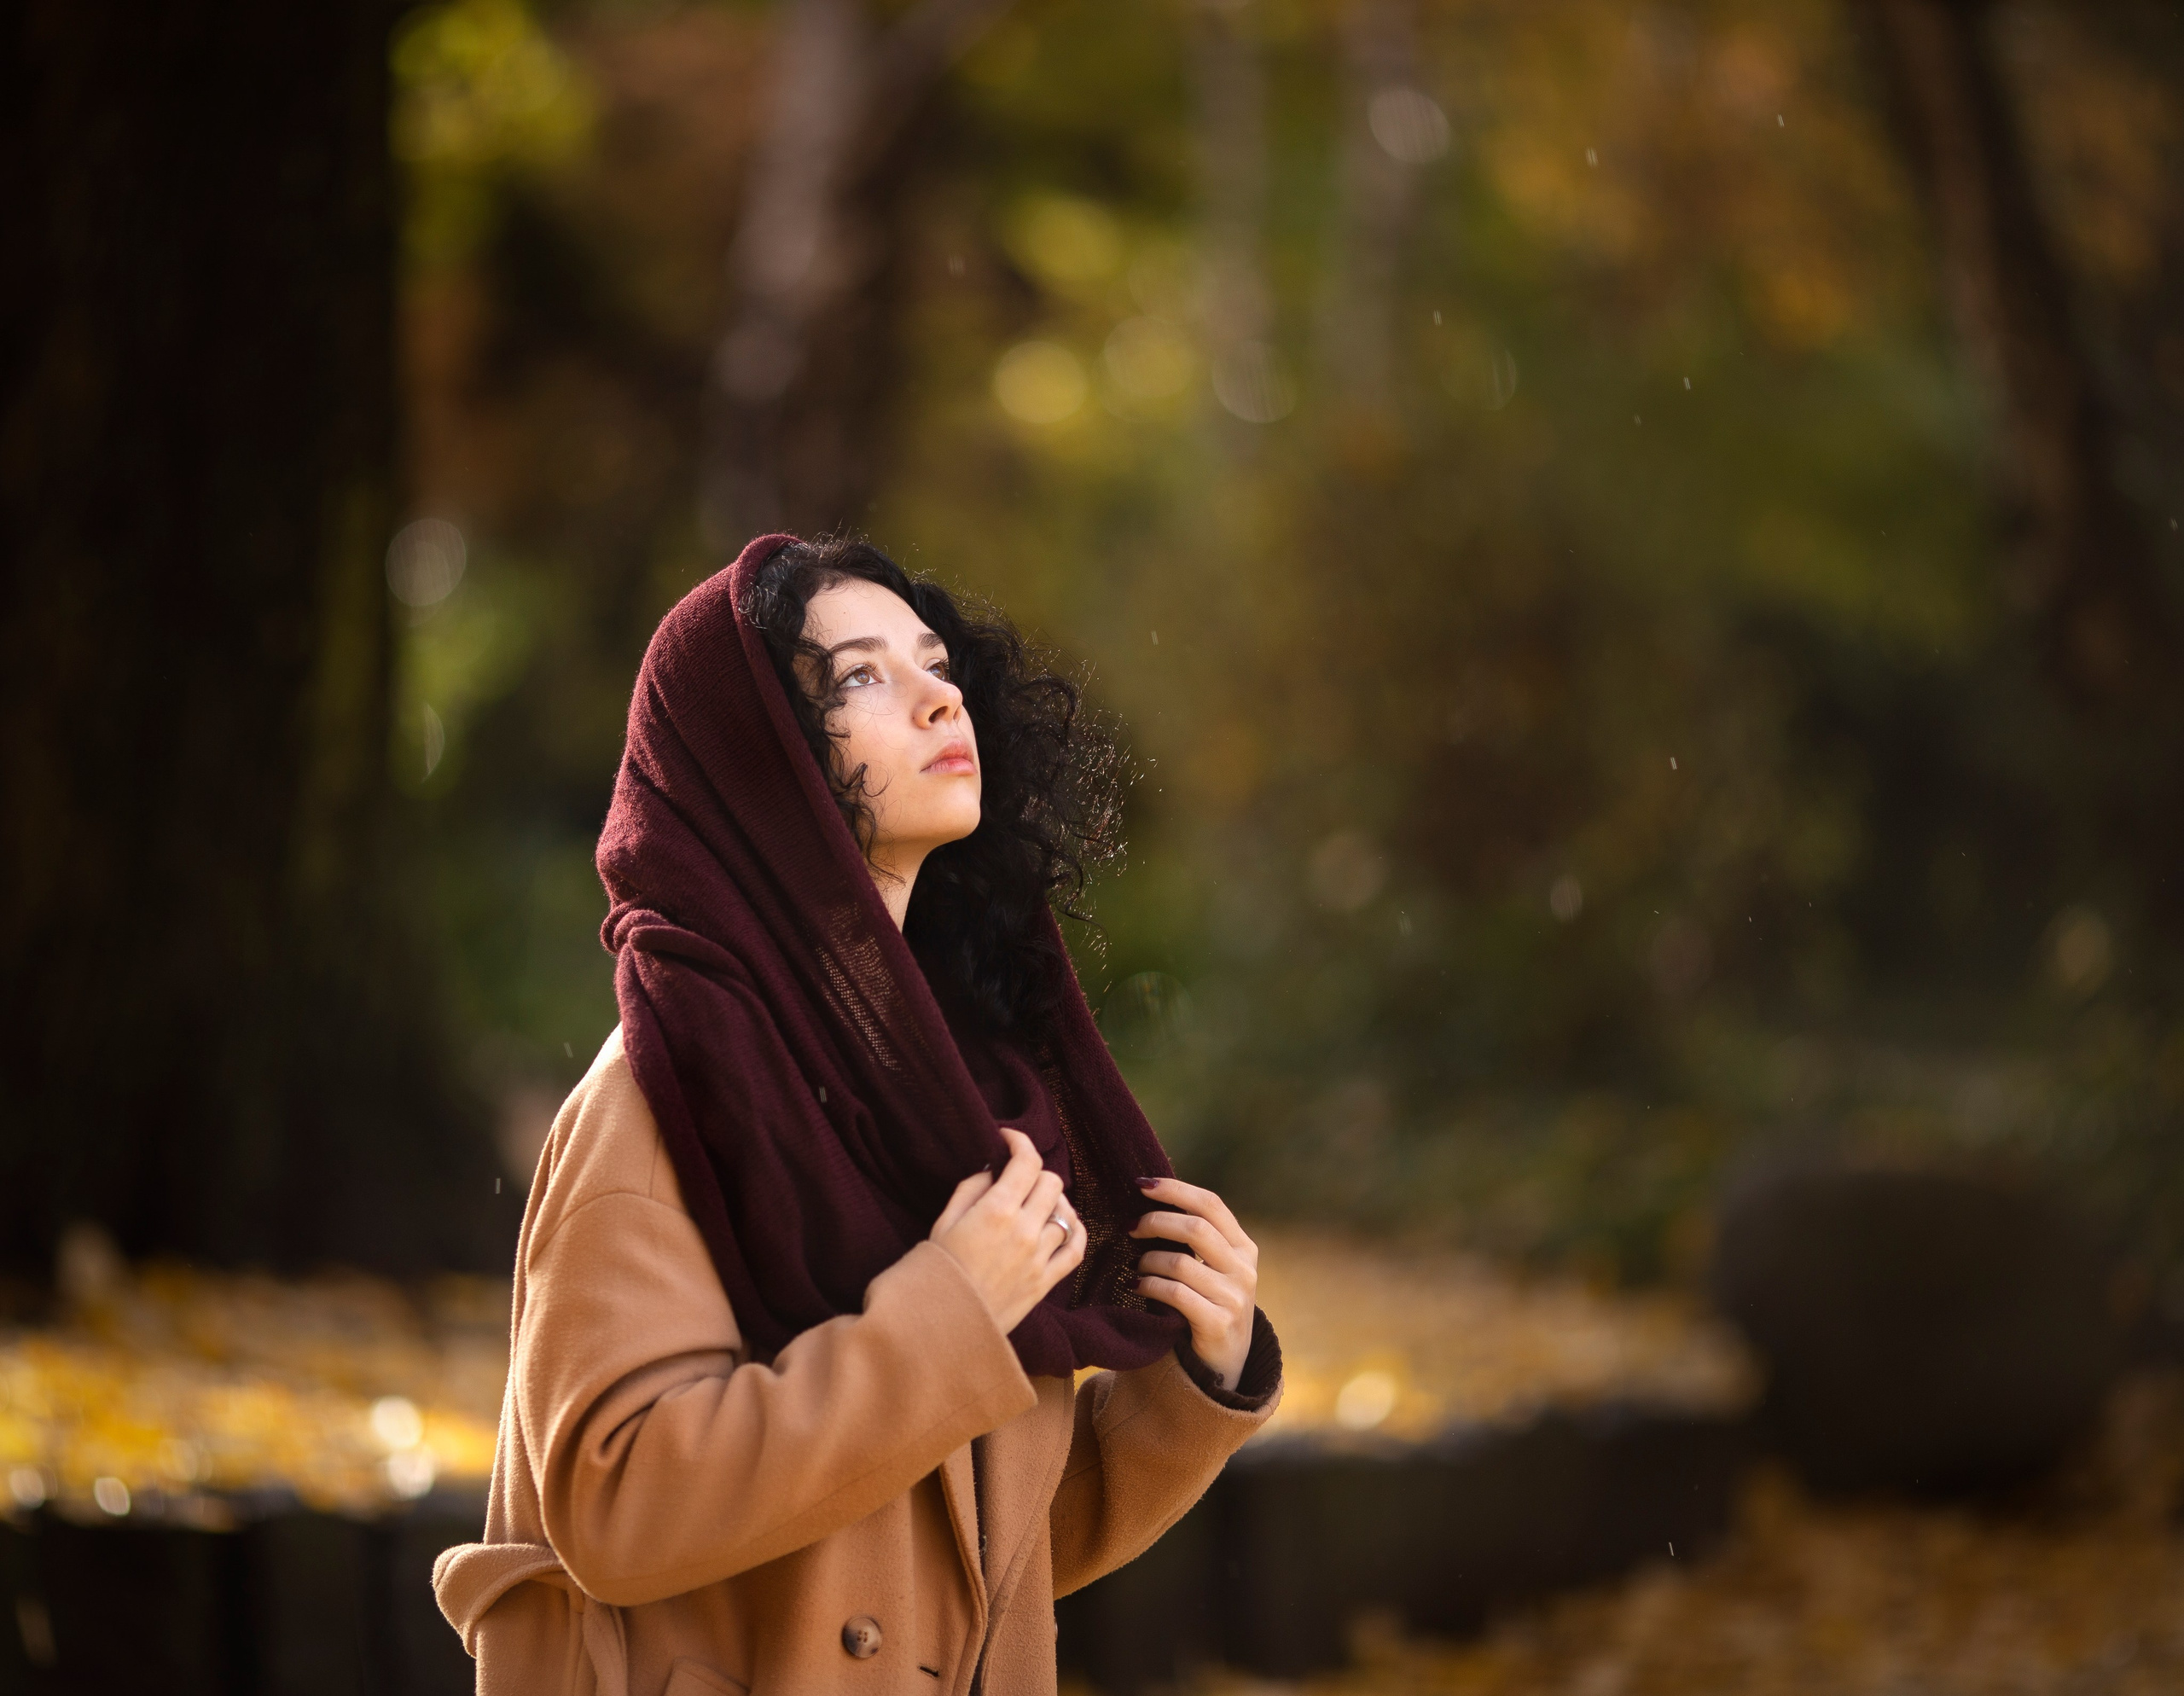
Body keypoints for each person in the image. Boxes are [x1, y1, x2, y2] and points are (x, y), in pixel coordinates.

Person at [433, 534, 1281, 1695]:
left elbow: (987, 1561)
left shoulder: (969, 1101)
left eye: (936, 664)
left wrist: (1198, 1374)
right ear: (755, 761)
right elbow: (615, 1505)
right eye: (861, 677)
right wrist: (946, 1313)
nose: (941, 695)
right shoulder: (660, 1091)